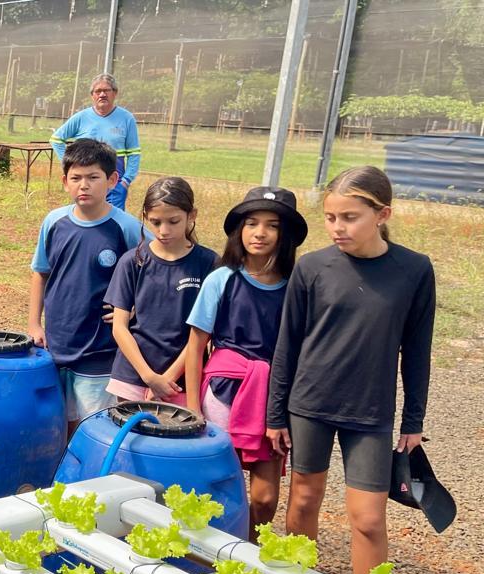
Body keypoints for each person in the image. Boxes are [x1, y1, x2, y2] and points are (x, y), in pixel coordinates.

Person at [267, 166, 435, 574]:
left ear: (383, 215)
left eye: (349, 217)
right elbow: (287, 345)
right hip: (310, 405)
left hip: (371, 412)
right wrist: (276, 415)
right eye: (330, 217)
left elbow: (417, 350)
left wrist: (413, 420)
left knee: (369, 520)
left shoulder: (414, 270)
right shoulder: (312, 268)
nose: (337, 228)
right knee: (304, 502)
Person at [184, 186, 306, 534]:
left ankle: (246, 550)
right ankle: (214, 556)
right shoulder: (222, 279)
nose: (260, 233)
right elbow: (196, 346)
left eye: (272, 225)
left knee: (265, 498)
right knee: (221, 484)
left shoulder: (297, 287)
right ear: (240, 230)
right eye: (252, 223)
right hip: (223, 391)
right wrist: (194, 408)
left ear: (286, 235)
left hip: (272, 394)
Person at [27, 139, 146, 436]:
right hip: (55, 343)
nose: (84, 185)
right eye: (76, 178)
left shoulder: (128, 228)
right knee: (56, 424)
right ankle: (60, 480)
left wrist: (133, 310)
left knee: (94, 429)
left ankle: (89, 481)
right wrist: (33, 323)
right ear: (64, 181)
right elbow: (40, 273)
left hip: (100, 350)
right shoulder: (54, 222)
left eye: (93, 177)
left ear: (112, 180)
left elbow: (154, 277)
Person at [106, 177, 216, 405]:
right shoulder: (132, 261)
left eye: (173, 221)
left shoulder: (209, 263)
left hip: (183, 380)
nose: (164, 230)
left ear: (191, 215)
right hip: (132, 374)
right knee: (131, 440)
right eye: (155, 222)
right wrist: (149, 377)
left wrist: (167, 378)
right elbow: (119, 327)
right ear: (145, 217)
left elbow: (203, 335)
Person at [50, 74, 141, 210]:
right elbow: (56, 139)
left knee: (113, 218)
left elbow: (134, 153)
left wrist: (126, 181)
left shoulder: (126, 118)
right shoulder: (81, 117)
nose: (102, 94)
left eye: (107, 90)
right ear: (92, 95)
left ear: (115, 93)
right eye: (98, 91)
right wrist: (70, 164)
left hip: (115, 177)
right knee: (87, 213)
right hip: (85, 176)